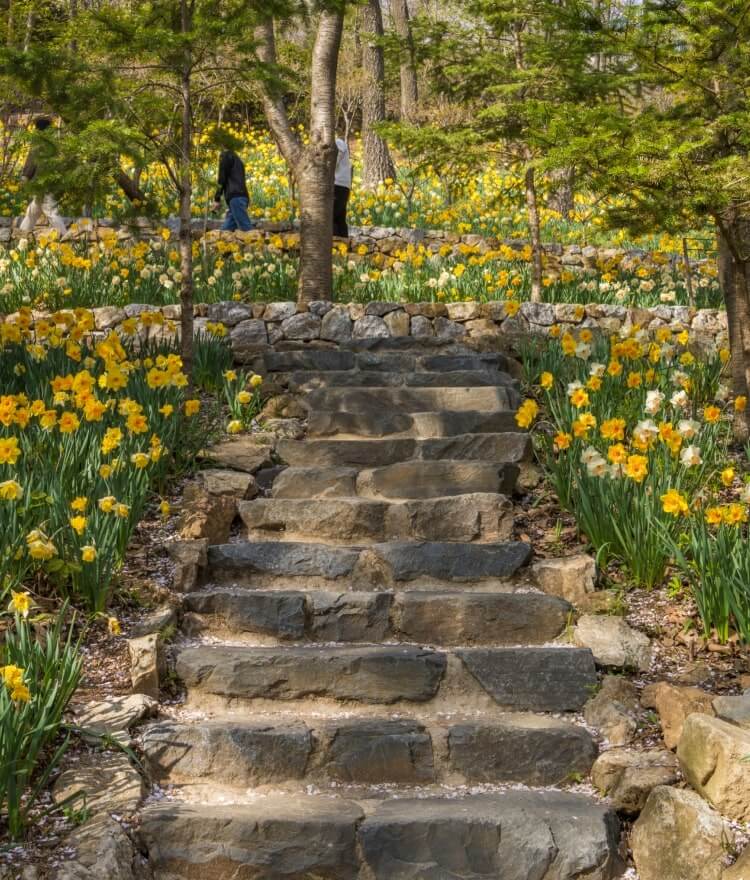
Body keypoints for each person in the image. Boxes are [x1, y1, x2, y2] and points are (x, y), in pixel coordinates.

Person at [19, 117, 67, 238]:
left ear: (38, 128)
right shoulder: (54, 142)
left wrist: (25, 175)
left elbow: (32, 160)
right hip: (51, 181)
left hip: (42, 182)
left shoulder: (38, 141)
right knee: (32, 211)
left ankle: (65, 237)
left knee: (50, 211)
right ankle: (21, 237)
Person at [213, 146, 254, 232]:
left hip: (235, 198)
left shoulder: (225, 156)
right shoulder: (237, 159)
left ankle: (258, 244)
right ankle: (215, 244)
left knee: (248, 230)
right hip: (242, 197)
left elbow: (222, 178)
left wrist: (217, 198)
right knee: (225, 231)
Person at [333, 136, 352, 238]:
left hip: (338, 184)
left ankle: (337, 247)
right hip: (341, 185)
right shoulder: (339, 143)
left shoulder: (338, 143)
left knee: (332, 216)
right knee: (339, 218)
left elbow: (333, 163)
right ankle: (344, 248)